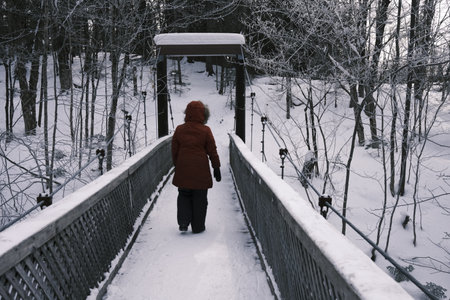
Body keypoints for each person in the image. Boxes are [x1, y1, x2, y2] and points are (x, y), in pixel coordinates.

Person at [171, 100, 221, 233]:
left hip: (184, 169)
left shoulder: (180, 129)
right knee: (200, 198)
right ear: (204, 115)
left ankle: (183, 222)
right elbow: (212, 150)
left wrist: (178, 164)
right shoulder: (206, 130)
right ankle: (198, 227)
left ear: (187, 114)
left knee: (183, 195)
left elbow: (174, 150)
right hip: (201, 171)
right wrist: (216, 167)